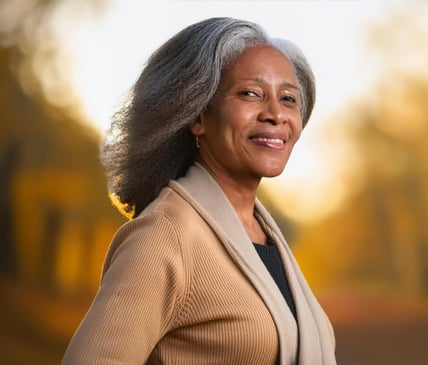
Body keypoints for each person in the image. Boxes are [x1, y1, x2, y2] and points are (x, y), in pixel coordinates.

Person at [62, 17, 336, 365]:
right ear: (197, 115)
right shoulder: (165, 234)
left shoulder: (263, 236)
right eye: (250, 93)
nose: (275, 114)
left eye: (288, 98)